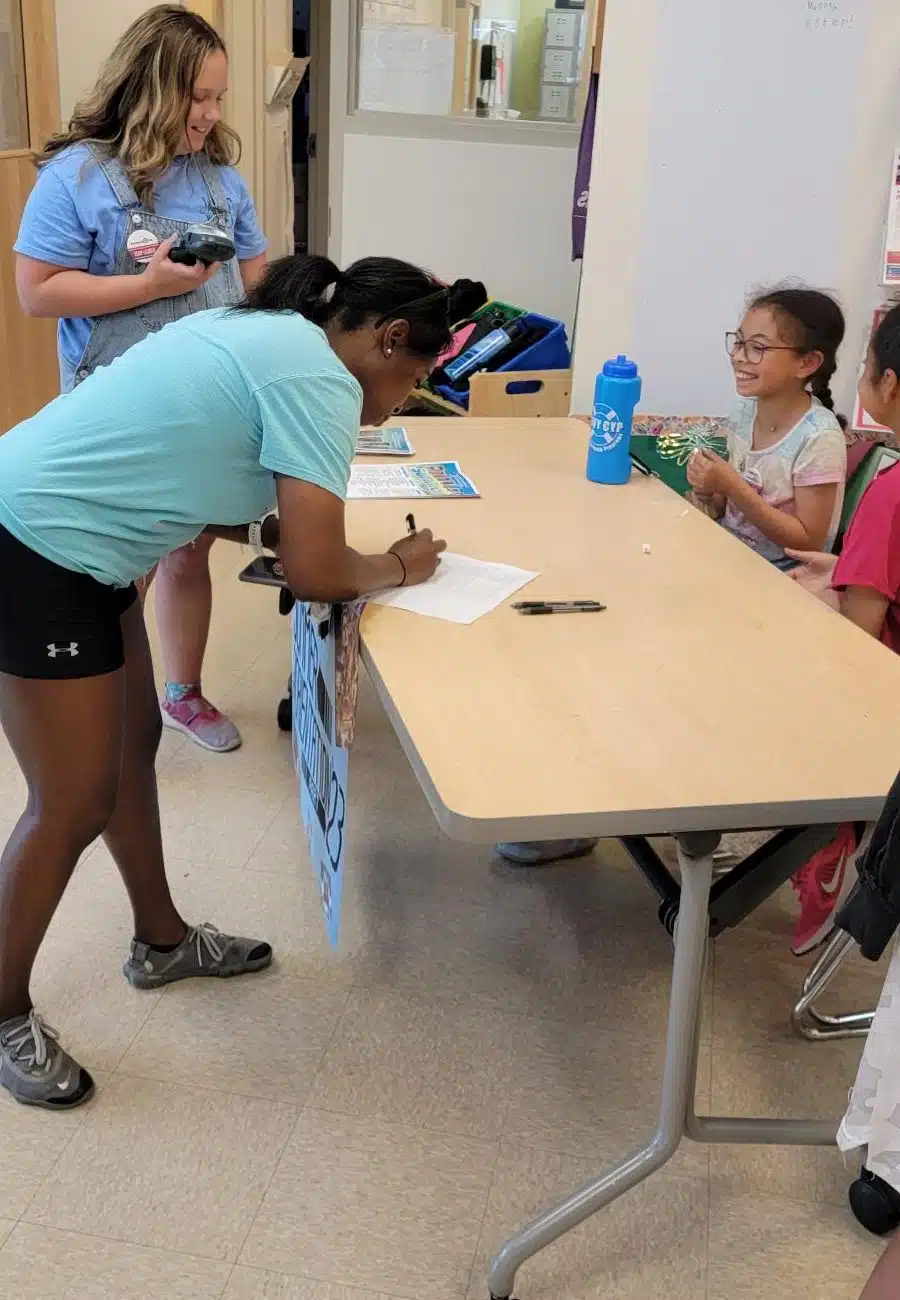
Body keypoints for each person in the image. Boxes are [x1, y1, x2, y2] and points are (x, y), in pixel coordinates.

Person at [0, 252, 457, 1109]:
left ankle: (161, 940)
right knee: (71, 802)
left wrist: (274, 531)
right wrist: (398, 564)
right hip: (35, 547)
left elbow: (188, 463)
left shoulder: (269, 332)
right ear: (391, 338)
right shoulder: (319, 380)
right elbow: (318, 572)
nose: (404, 399)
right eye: (415, 379)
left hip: (73, 541)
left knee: (133, 747)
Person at [14, 4, 268, 755]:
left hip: (205, 406)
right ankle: (102, 706)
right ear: (153, 88)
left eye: (218, 98)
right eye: (199, 97)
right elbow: (37, 292)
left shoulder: (221, 180)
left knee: (189, 548)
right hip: (116, 413)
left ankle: (181, 694)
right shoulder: (76, 177)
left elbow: (258, 282)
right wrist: (147, 287)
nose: (211, 114)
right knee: (120, 563)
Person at [786, 302, 900, 955]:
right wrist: (849, 570)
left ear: (890, 384)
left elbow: (860, 641)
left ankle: (828, 837)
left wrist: (845, 589)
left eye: (866, 366)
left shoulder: (887, 488)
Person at [686, 285, 848, 568]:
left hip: (783, 579)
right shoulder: (743, 413)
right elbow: (731, 510)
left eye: (758, 348)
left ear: (807, 363)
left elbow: (808, 541)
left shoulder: (820, 438)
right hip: (729, 558)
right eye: (739, 342)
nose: (739, 356)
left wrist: (734, 487)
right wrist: (710, 490)